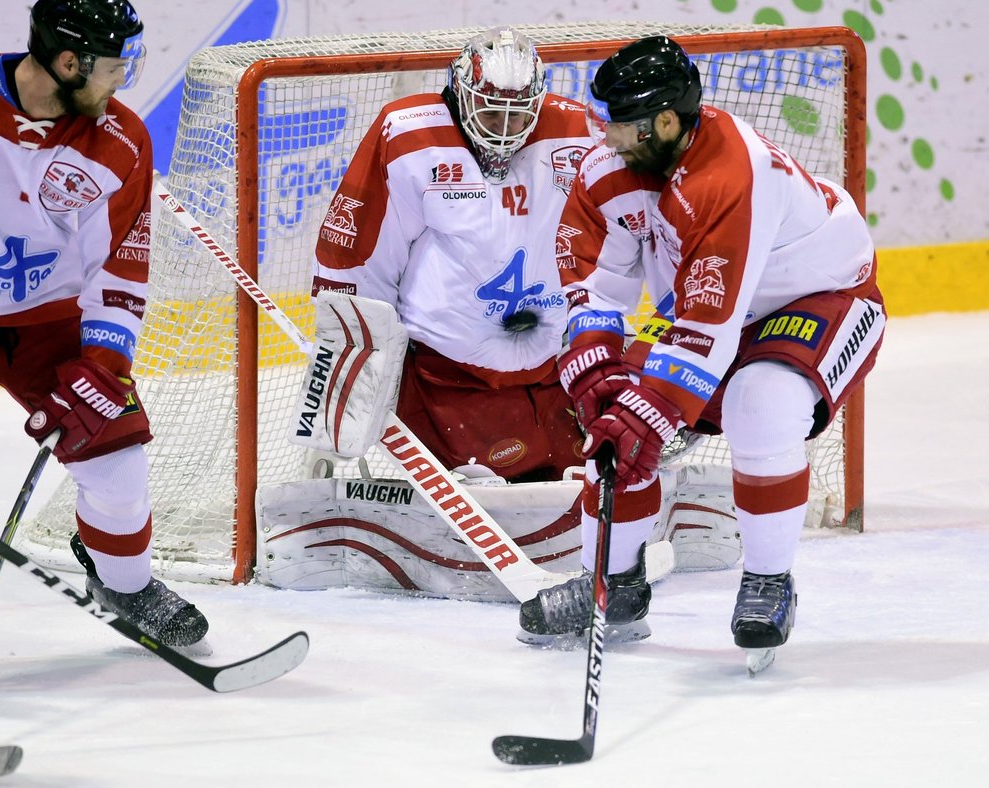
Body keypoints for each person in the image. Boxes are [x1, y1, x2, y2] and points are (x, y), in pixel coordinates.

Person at [522, 36, 885, 658]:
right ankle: (612, 584)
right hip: (720, 320)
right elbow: (594, 288)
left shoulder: (729, 175)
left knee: (759, 402)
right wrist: (598, 374)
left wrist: (651, 414)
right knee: (613, 417)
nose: (608, 137)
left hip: (823, 302)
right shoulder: (607, 171)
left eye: (624, 125)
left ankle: (769, 580)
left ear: (666, 121)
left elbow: (706, 331)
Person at [0, 0, 208, 656]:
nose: (124, 80)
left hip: (48, 325)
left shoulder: (121, 142)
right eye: (115, 66)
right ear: (66, 62)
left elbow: (121, 265)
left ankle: (127, 584)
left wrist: (101, 359)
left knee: (116, 453)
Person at [312, 26, 592, 484]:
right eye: (490, 112)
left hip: (551, 377)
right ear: (460, 93)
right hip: (446, 383)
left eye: (518, 116)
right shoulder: (409, 136)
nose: (504, 131)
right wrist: (358, 348)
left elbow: (611, 238)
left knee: (585, 497)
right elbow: (359, 254)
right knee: (479, 503)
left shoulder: (577, 137)